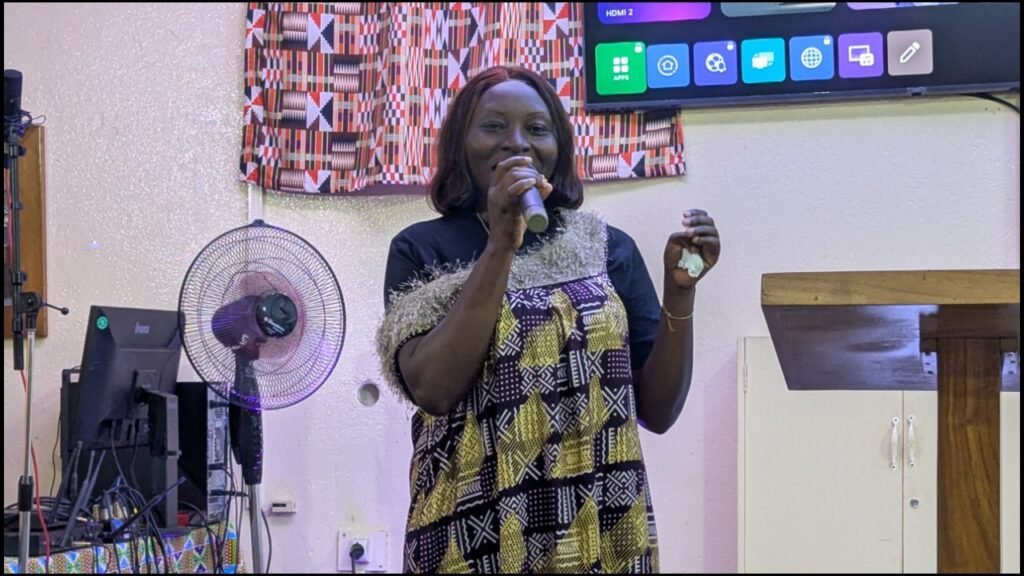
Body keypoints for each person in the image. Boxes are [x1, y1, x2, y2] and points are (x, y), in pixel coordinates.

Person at [376, 65, 720, 574]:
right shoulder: (420, 249)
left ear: (558, 147)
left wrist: (680, 293)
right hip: (470, 535)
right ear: (460, 144)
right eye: (494, 126)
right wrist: (501, 244)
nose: (517, 143)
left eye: (537, 129)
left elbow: (658, 410)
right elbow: (434, 389)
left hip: (601, 526)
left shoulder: (607, 249)